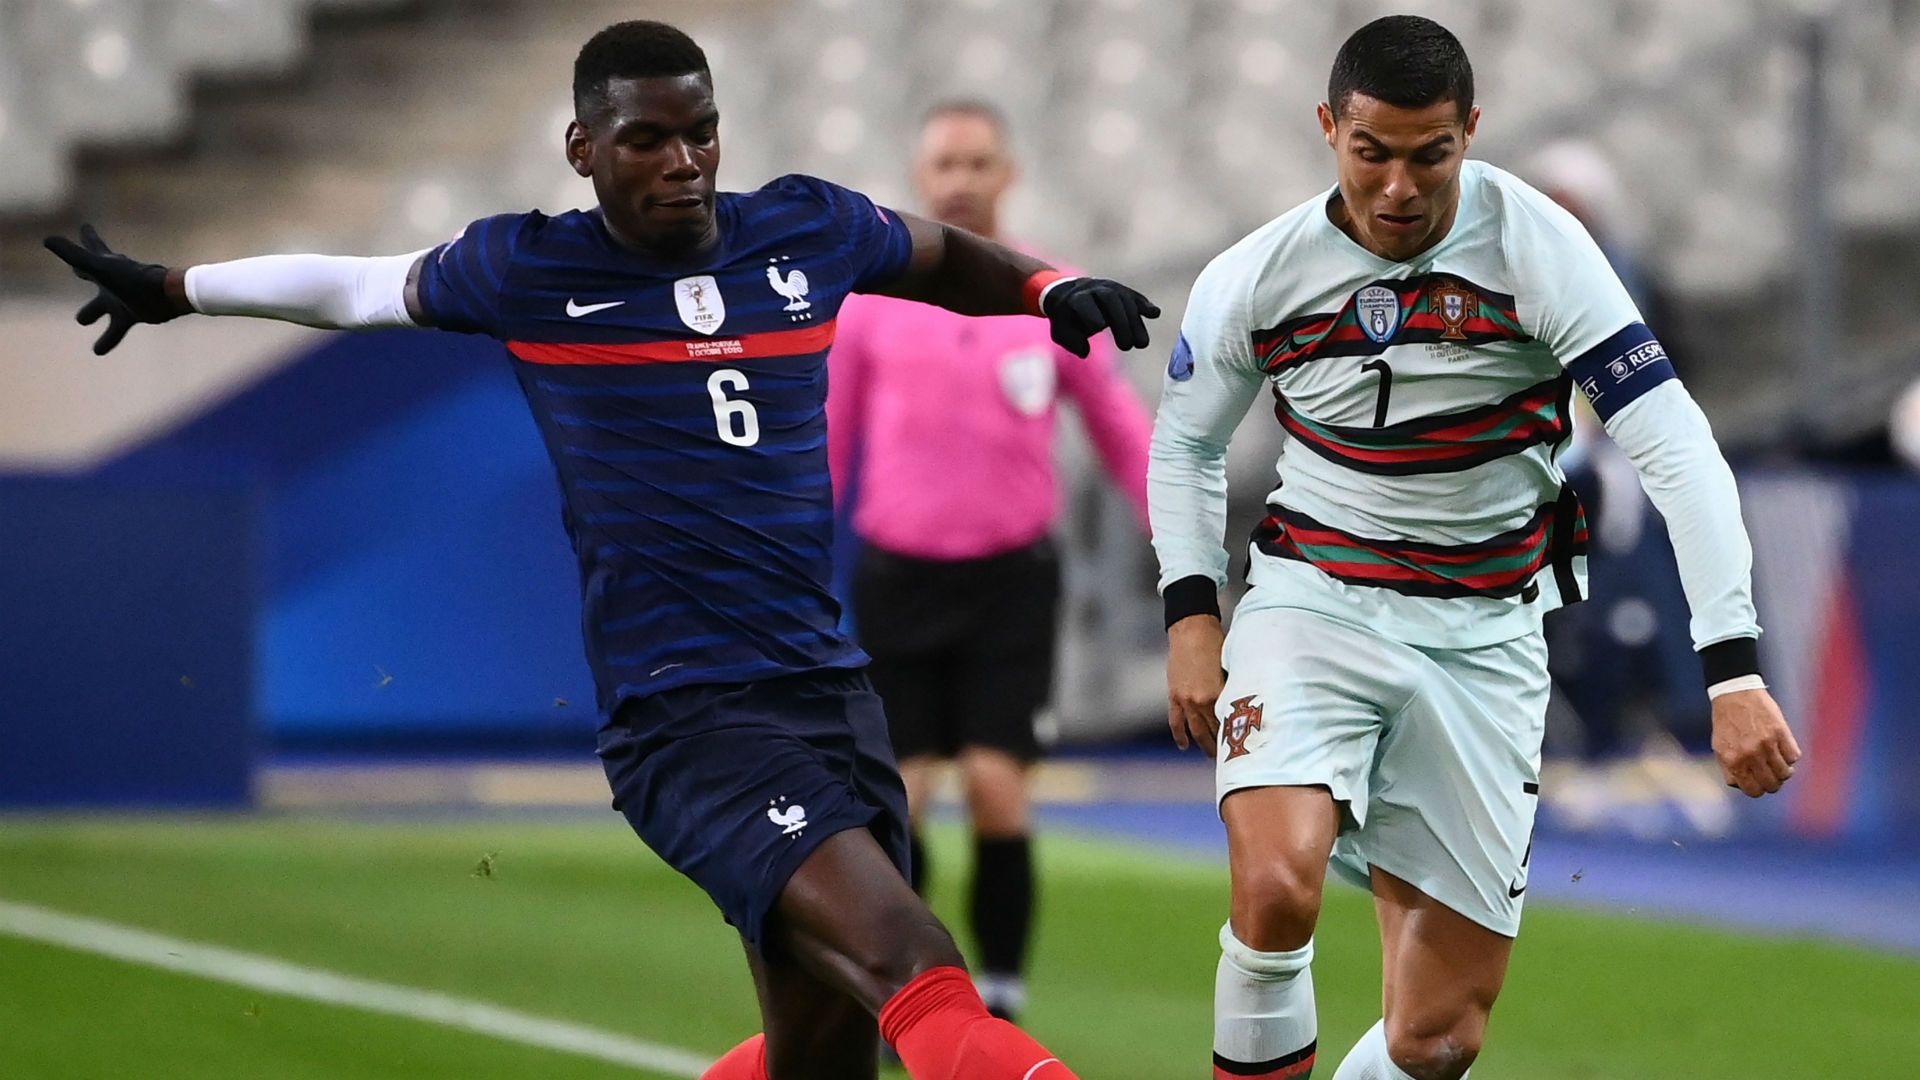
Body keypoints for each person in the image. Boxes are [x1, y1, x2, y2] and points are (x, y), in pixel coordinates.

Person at [42, 21, 1160, 1080]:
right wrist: (184, 288)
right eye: (648, 139)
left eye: (702, 132)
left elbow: (938, 255)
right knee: (914, 963)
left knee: (824, 1053)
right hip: (690, 718)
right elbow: (355, 286)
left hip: (830, 694)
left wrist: (1043, 288)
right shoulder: (528, 270)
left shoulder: (801, 230)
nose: (685, 161)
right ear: (582, 149)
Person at [1148, 16, 1799, 1080]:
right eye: (1373, 153)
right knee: (1274, 887)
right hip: (1314, 602)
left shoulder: (1539, 246)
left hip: (1488, 634)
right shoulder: (1257, 275)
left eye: (1429, 154)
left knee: (1438, 1040)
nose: (1400, 186)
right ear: (1328, 129)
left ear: (1470, 133)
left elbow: (1676, 445)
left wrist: (1732, 667)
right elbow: (1185, 445)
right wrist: (1190, 617)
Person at [826, 100, 1154, 1025]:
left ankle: (1000, 996)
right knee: (905, 795)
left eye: (979, 163)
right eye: (946, 165)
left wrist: (1179, 535)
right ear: (921, 179)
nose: (962, 180)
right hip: (900, 575)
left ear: (1007, 174)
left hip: (1012, 579)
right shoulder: (872, 307)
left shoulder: (1051, 296)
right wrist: (790, 556)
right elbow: (827, 445)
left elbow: (1120, 426)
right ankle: (912, 991)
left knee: (1000, 790)